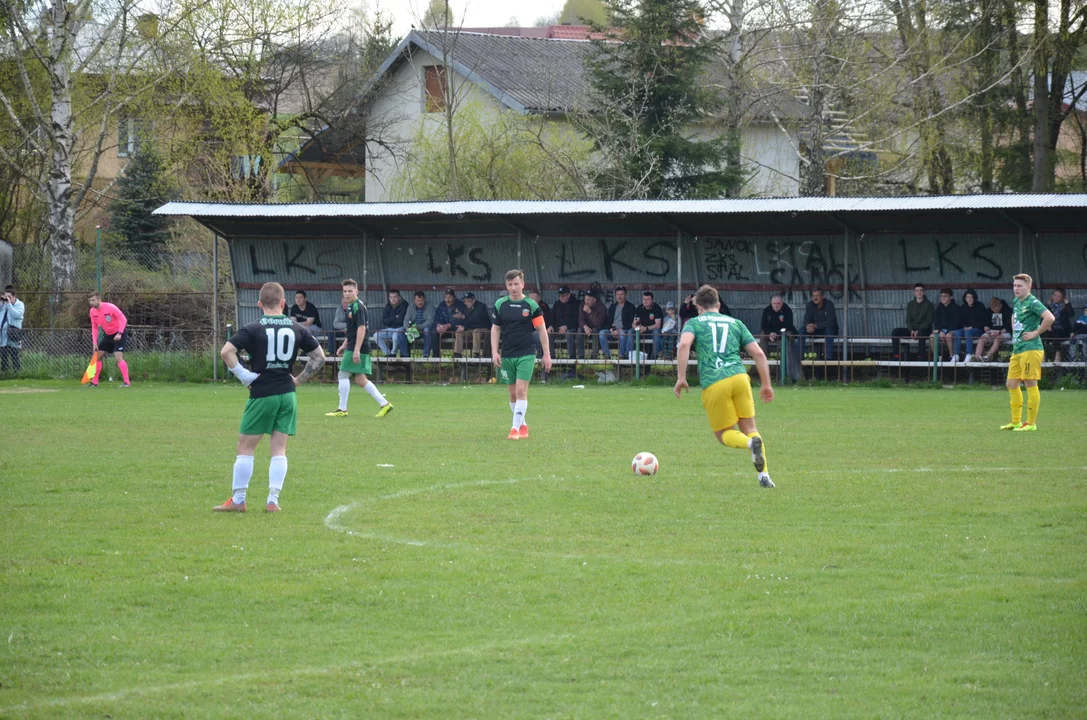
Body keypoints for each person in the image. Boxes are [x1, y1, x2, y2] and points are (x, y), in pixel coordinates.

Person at [214, 281, 325, 513]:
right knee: (279, 448)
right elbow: (319, 358)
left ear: (259, 304)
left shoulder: (253, 328)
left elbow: (226, 352)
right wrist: (299, 379)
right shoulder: (297, 328)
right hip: (287, 393)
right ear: (284, 304)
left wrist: (246, 377)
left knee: (245, 447)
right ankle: (273, 501)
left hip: (263, 392)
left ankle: (239, 500)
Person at [674, 284, 775, 488]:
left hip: (715, 381)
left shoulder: (694, 323)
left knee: (723, 434)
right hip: (739, 377)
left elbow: (684, 344)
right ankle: (764, 476)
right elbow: (759, 354)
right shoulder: (735, 323)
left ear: (698, 307)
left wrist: (681, 377)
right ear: (718, 304)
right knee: (750, 427)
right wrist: (766, 384)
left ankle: (748, 444)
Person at [491, 269, 551, 440]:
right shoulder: (500, 304)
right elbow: (495, 328)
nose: (513, 287)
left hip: (526, 353)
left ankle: (514, 429)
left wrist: (546, 354)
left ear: (522, 285)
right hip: (507, 354)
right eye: (510, 284)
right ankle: (523, 425)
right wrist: (495, 351)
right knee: (512, 393)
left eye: (516, 284)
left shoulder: (531, 305)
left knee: (520, 390)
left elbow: (541, 330)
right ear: (506, 286)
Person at [326, 278, 393, 419]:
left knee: (343, 374)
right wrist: (344, 345)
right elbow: (352, 330)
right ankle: (384, 404)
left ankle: (342, 409)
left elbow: (361, 328)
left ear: (356, 291)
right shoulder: (350, 306)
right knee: (360, 379)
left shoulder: (358, 306)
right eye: (345, 291)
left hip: (358, 347)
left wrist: (356, 349)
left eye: (350, 291)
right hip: (354, 345)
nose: (347, 294)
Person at [1001, 274, 1055, 432]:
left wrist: (1036, 332)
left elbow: (1049, 318)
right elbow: (1014, 316)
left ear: (1029, 287)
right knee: (1011, 384)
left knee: (1030, 383)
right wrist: (1015, 332)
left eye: (1019, 286)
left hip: (1031, 348)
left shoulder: (1033, 302)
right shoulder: (1017, 301)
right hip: (1018, 348)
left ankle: (1031, 423)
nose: (1016, 289)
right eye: (1014, 286)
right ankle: (1016, 421)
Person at [88, 292, 131, 388]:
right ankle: (95, 383)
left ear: (99, 300)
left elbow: (123, 319)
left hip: (119, 334)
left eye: (93, 300)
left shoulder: (110, 307)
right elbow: (94, 327)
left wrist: (119, 333)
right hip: (108, 336)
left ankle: (127, 382)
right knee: (97, 357)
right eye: (90, 301)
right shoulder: (92, 311)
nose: (91, 302)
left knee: (118, 358)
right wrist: (94, 343)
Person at [758, 293, 801, 381]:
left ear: (782, 303)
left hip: (783, 333)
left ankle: (788, 372)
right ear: (771, 303)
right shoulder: (767, 310)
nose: (776, 305)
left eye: (778, 303)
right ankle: (762, 359)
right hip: (770, 333)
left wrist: (777, 334)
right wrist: (770, 333)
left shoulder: (787, 310)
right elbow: (764, 324)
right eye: (774, 303)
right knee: (762, 335)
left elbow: (788, 325)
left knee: (789, 337)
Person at [890, 284, 933, 360]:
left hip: (924, 330)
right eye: (917, 290)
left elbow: (929, 321)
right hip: (912, 330)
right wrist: (912, 330)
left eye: (921, 290)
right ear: (914, 292)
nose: (919, 293)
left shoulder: (929, 304)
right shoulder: (910, 304)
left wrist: (918, 330)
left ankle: (921, 357)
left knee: (921, 333)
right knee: (895, 331)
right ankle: (896, 355)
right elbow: (908, 320)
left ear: (924, 292)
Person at [799, 289, 839, 360]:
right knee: (802, 330)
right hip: (814, 331)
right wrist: (808, 326)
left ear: (822, 297)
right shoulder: (809, 305)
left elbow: (831, 322)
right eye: (813, 296)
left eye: (817, 296)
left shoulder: (829, 304)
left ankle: (828, 358)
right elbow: (806, 319)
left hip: (827, 330)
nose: (815, 298)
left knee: (829, 330)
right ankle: (799, 357)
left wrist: (816, 326)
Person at [1041, 289, 1076, 361]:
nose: (1056, 297)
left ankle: (1058, 353)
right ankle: (1043, 354)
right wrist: (1047, 325)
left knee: (1056, 333)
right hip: (1050, 329)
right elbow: (1042, 318)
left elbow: (1071, 314)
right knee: (1040, 334)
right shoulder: (1048, 306)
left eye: (1059, 296)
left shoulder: (1065, 306)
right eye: (1054, 295)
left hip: (1063, 330)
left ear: (1062, 298)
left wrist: (1067, 303)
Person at [974, 297, 1012, 361]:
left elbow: (1009, 326)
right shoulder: (988, 311)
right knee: (981, 339)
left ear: (1000, 305)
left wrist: (999, 332)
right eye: (992, 308)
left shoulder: (1008, 311)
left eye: (996, 308)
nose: (994, 310)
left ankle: (987, 356)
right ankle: (976, 357)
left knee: (997, 339)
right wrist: (986, 328)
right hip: (992, 332)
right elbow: (985, 323)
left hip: (1004, 332)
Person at [374, 289, 410, 358]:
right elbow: (384, 321)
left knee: (395, 336)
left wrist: (391, 320)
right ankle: (387, 353)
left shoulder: (404, 304)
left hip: (401, 328)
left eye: (395, 297)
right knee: (376, 335)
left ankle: (393, 353)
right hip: (390, 328)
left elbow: (400, 320)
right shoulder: (388, 306)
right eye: (391, 297)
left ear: (399, 297)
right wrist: (394, 317)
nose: (393, 299)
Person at [603, 286, 636, 359]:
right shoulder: (612, 306)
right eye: (617, 294)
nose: (619, 296)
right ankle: (607, 355)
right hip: (613, 331)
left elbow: (631, 322)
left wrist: (621, 330)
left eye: (621, 294)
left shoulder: (630, 306)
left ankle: (621, 355)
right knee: (602, 333)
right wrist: (611, 330)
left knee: (622, 333)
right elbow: (609, 321)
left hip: (624, 331)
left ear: (625, 295)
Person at [434, 289, 467, 358]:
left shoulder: (460, 305)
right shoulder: (442, 305)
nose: (447, 300)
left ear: (454, 298)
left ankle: (457, 358)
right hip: (444, 330)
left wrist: (449, 325)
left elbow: (462, 320)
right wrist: (438, 325)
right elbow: (437, 318)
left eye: (450, 297)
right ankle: (436, 359)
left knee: (459, 332)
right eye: (446, 297)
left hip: (455, 329)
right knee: (434, 333)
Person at [955, 290, 987, 362]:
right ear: (965, 298)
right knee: (957, 332)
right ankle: (956, 355)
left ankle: (969, 354)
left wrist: (971, 327)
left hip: (978, 329)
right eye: (967, 297)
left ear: (974, 298)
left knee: (968, 332)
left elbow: (982, 321)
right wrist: (964, 327)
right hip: (966, 329)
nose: (969, 299)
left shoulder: (980, 306)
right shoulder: (963, 307)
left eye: (971, 297)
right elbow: (960, 321)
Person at [932, 288, 962, 363]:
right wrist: (939, 331)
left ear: (951, 297)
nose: (943, 298)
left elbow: (956, 323)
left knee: (948, 336)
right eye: (941, 296)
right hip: (942, 330)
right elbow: (936, 322)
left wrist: (946, 332)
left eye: (945, 296)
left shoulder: (956, 307)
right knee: (932, 337)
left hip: (953, 330)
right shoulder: (939, 308)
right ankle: (937, 357)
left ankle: (951, 356)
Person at [458, 292, 492, 357]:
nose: (467, 303)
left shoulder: (481, 306)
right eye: (465, 301)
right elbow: (467, 322)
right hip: (472, 329)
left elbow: (476, 319)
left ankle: (476, 354)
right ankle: (457, 354)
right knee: (458, 332)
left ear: (474, 300)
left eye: (469, 301)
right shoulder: (465, 308)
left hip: (484, 329)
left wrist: (464, 318)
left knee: (476, 331)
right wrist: (462, 327)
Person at [0, 286, 25, 374]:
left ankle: (16, 373)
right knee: (3, 356)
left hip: (13, 334)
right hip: (2, 335)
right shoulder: (3, 305)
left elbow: (16, 315)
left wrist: (9, 304)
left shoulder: (19, 304)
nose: (7, 299)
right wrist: (2, 302)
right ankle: (4, 373)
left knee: (14, 355)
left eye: (9, 297)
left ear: (14, 297)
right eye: (5, 296)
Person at [405, 291, 437, 358]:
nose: (419, 302)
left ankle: (426, 355)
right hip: (413, 330)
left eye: (421, 300)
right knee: (401, 331)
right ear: (414, 300)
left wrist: (418, 327)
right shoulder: (411, 306)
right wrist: (406, 327)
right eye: (418, 301)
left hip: (424, 329)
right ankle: (405, 356)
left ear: (424, 299)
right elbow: (406, 319)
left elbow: (430, 321)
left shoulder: (430, 306)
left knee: (427, 330)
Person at [551, 286, 580, 360]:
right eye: (560, 296)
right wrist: (550, 326)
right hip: (558, 328)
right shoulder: (557, 304)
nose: (561, 297)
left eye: (563, 295)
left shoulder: (575, 304)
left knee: (569, 333)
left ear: (568, 295)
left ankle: (571, 358)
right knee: (548, 333)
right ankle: (551, 358)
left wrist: (566, 326)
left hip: (571, 328)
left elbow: (576, 319)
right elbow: (552, 317)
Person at [632, 291, 664, 359]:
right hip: (641, 331)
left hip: (651, 331)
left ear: (652, 300)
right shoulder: (639, 308)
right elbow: (635, 322)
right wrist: (637, 328)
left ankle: (656, 356)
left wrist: (646, 328)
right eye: (644, 299)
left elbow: (658, 325)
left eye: (648, 299)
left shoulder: (656, 308)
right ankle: (630, 355)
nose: (645, 301)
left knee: (656, 331)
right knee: (630, 332)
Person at [577, 291, 607, 359]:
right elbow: (581, 319)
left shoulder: (601, 307)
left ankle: (594, 355)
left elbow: (598, 323)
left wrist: (590, 312)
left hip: (597, 328)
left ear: (594, 300)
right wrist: (585, 326)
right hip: (586, 327)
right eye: (585, 299)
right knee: (579, 330)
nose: (586, 302)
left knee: (595, 330)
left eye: (589, 300)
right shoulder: (582, 305)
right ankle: (580, 356)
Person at [527, 289, 552, 358]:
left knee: (538, 333)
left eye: (533, 298)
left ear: (539, 298)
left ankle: (541, 354)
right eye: (529, 298)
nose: (531, 300)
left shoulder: (544, 306)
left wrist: (550, 326)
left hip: (542, 329)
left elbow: (549, 318)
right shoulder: (525, 307)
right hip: (529, 330)